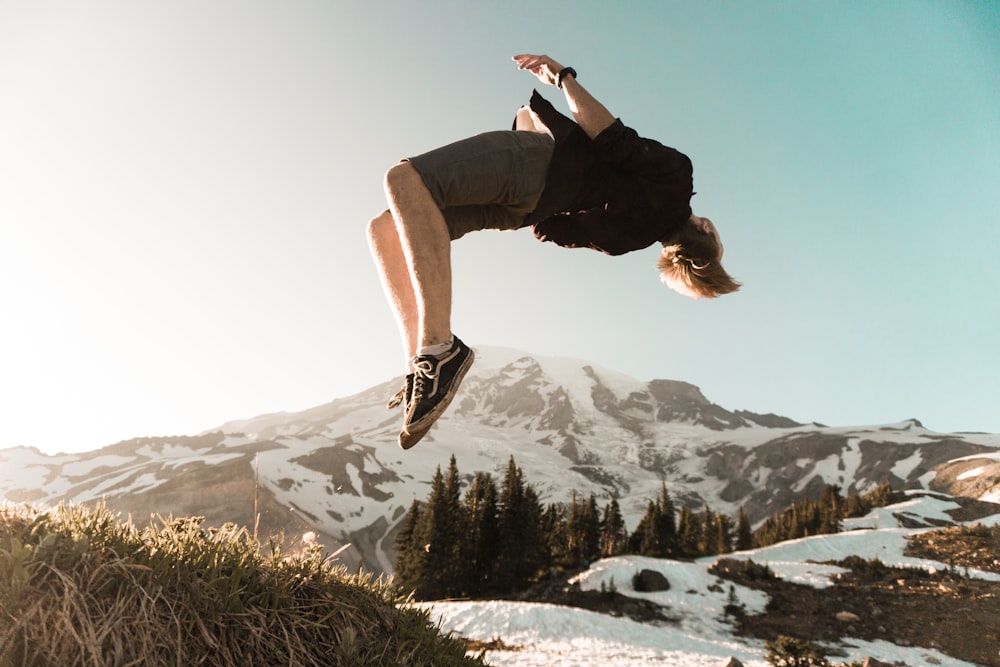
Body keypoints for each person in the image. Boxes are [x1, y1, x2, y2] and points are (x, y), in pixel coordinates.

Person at [367, 54, 740, 450]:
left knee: (404, 179)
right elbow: (548, 230)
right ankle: (422, 367)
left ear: (707, 228)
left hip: (539, 162)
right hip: (522, 210)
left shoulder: (677, 179)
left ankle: (439, 349)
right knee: (387, 228)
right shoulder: (624, 241)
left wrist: (562, 78)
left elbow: (610, 137)